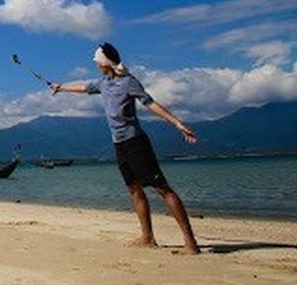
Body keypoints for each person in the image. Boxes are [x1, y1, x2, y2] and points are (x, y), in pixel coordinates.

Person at [52, 42, 201, 254]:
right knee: (134, 188)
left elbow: (151, 103)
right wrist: (61, 87)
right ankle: (147, 237)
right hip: (119, 144)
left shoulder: (128, 82)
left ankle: (190, 243)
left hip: (136, 143)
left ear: (106, 63)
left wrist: (177, 124)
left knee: (162, 189)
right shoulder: (103, 84)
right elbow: (83, 87)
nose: (96, 65)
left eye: (97, 62)